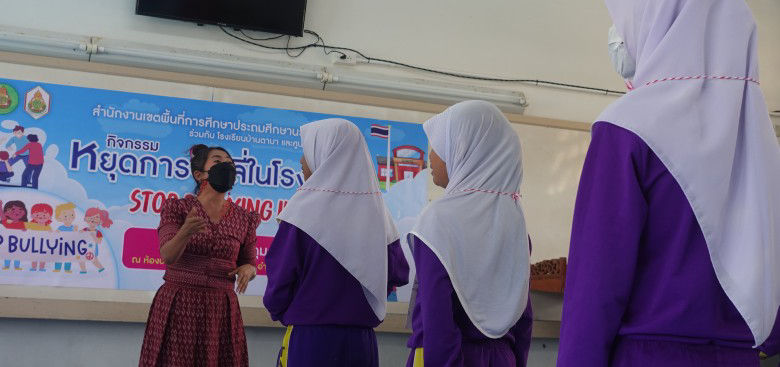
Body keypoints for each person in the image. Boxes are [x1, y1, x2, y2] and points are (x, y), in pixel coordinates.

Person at [557, 0, 780, 367]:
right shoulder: (757, 133)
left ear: (657, 14)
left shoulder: (627, 129)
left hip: (649, 354)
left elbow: (595, 287)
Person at [264, 118, 409, 367]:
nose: (301, 160)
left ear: (326, 154)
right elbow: (398, 273)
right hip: (362, 342)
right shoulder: (379, 214)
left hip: (311, 341)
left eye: (307, 151)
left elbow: (279, 283)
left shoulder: (301, 212)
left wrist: (290, 312)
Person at [406, 100, 533, 367]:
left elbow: (437, 321)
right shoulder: (514, 222)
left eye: (441, 146)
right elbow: (523, 317)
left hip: (447, 357)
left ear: (464, 151)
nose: (431, 156)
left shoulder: (438, 220)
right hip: (503, 357)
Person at [139, 144, 260, 367]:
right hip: (179, 303)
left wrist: (248, 270)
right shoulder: (178, 208)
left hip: (220, 309)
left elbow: (250, 263)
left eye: (230, 163)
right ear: (199, 174)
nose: (226, 165)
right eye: (217, 160)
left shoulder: (245, 218)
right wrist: (185, 231)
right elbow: (168, 256)